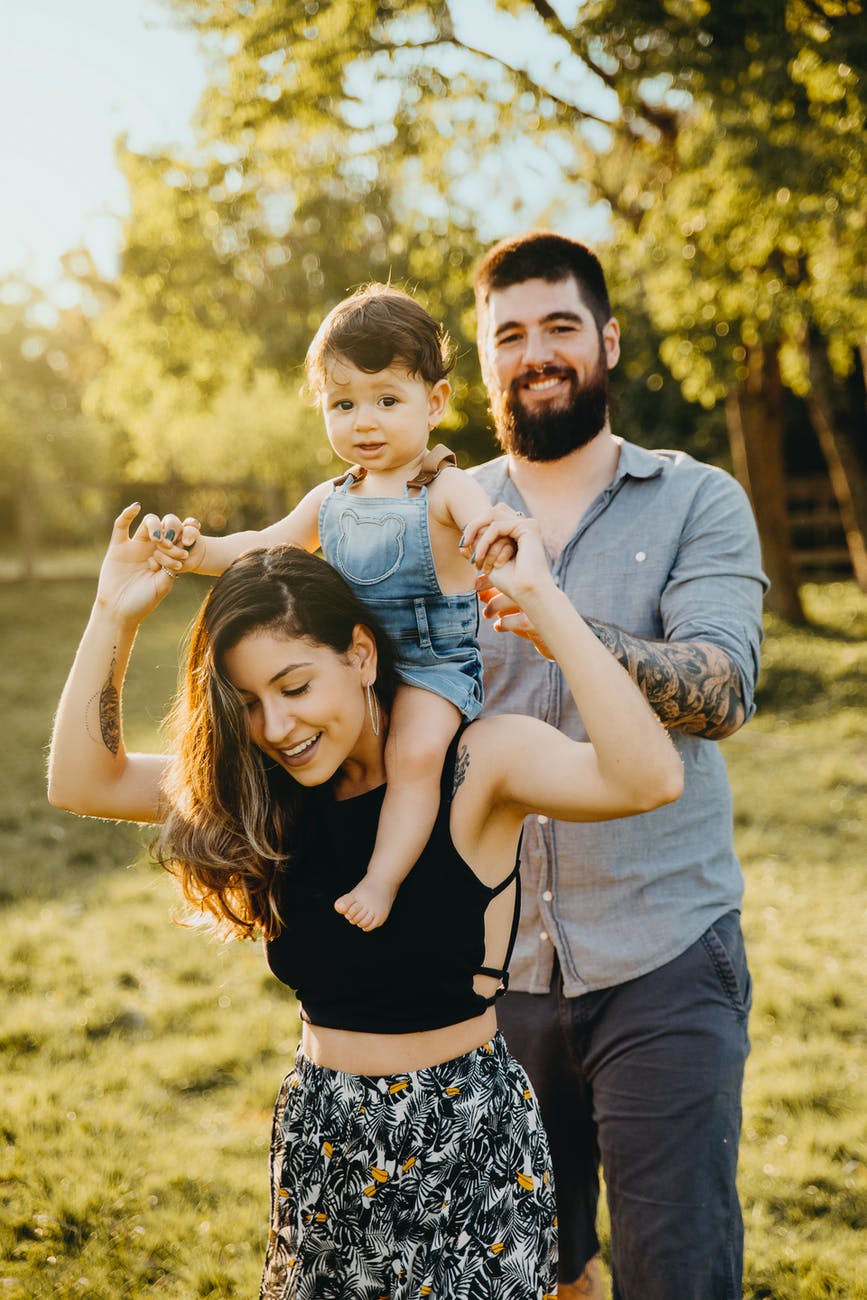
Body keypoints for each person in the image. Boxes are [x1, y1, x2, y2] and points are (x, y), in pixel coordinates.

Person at [48, 502, 683, 1299]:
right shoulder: (266, 789)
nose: (277, 725)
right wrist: (113, 609)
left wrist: (546, 607)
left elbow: (647, 777)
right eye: (248, 703)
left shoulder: (474, 765)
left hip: (464, 1143)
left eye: (294, 685)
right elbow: (81, 779)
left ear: (358, 654)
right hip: (321, 1135)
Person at [469, 230, 768, 1300]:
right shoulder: (442, 514)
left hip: (664, 957)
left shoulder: (696, 498)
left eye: (559, 326)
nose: (535, 351)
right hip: (488, 971)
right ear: (484, 356)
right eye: (510, 334)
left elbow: (722, 688)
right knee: (528, 1271)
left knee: (675, 1273)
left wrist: (564, 626)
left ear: (608, 339)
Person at [153, 284, 512, 933]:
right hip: (352, 670)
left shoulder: (445, 488)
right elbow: (262, 544)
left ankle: (383, 877)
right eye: (342, 403)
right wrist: (197, 547)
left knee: (414, 755)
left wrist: (501, 543)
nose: (363, 421)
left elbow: (489, 530)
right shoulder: (331, 497)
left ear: (434, 403)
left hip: (431, 670)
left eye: (386, 400)